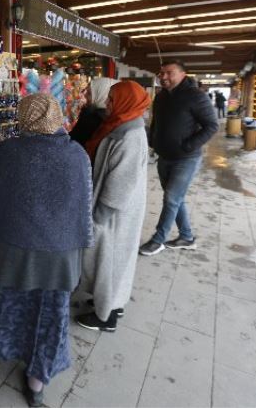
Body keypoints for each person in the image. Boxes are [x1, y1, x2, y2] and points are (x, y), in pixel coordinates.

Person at [0, 93, 93, 407]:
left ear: (23, 119)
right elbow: (84, 210)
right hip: (58, 258)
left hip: (10, 254)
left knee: (2, 307)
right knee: (50, 317)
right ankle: (36, 384)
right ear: (58, 119)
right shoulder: (77, 155)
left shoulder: (8, 153)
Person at [75, 81, 150, 332]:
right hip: (111, 209)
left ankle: (106, 317)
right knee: (108, 261)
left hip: (114, 213)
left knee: (111, 260)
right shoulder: (119, 125)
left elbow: (120, 183)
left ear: (125, 102)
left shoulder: (130, 135)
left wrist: (100, 215)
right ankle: (106, 302)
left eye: (112, 100)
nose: (107, 104)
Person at [139, 61, 218, 256]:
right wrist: (153, 141)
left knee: (172, 198)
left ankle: (158, 240)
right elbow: (156, 123)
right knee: (176, 199)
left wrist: (188, 145)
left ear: (183, 74)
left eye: (169, 73)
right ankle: (187, 237)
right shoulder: (161, 96)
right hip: (164, 156)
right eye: (161, 73)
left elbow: (212, 125)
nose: (163, 77)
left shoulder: (196, 96)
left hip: (186, 158)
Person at [68, 77, 119, 149]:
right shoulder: (112, 118)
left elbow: (73, 142)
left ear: (101, 95)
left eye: (89, 93)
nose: (85, 95)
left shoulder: (92, 119)